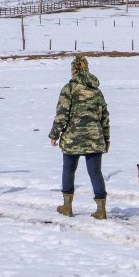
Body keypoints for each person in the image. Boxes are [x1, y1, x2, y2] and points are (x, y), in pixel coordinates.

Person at [48, 55, 110, 219]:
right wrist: (106, 139)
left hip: (72, 138)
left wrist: (54, 134)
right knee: (95, 172)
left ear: (73, 70)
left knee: (68, 170)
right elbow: (104, 117)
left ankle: (67, 206)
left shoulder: (69, 89)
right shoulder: (96, 91)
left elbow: (62, 114)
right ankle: (101, 210)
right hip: (94, 138)